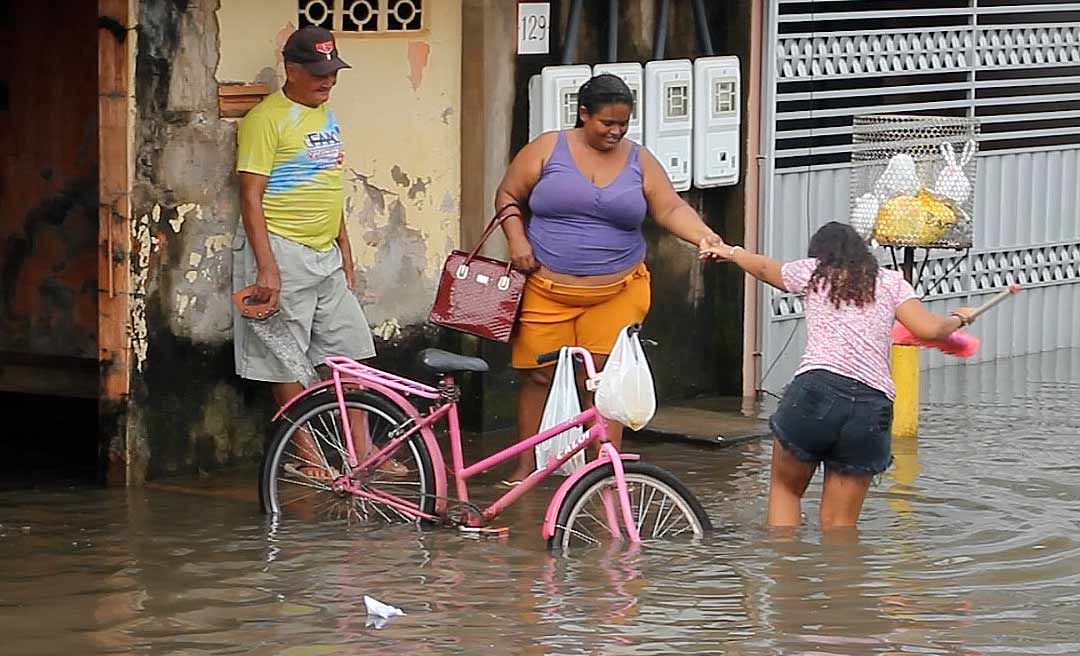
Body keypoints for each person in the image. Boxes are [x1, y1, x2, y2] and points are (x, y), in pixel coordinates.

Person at [494, 74, 724, 485]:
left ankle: (602, 470)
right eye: (607, 124)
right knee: (536, 375)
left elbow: (669, 207)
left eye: (623, 124)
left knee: (601, 380)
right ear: (583, 115)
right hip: (546, 288)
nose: (615, 132)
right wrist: (517, 241)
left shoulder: (639, 160)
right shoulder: (549, 148)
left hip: (616, 291)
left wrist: (704, 236)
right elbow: (509, 196)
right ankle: (525, 465)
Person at [701, 222, 976, 529]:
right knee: (840, 526)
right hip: (871, 408)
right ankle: (841, 576)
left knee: (786, 492)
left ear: (821, 254)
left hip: (816, 391)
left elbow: (765, 268)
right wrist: (957, 318)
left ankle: (782, 572)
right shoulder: (892, 282)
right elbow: (930, 329)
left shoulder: (815, 272)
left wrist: (730, 252)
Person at [233, 26, 403, 477]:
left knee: (352, 352)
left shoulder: (326, 114)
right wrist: (267, 268)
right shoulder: (265, 119)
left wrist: (344, 248)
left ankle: (363, 451)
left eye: (332, 72)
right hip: (282, 249)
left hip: (324, 252)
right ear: (291, 70)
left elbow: (329, 185)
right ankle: (309, 460)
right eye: (317, 73)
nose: (327, 81)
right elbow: (250, 196)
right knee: (286, 361)